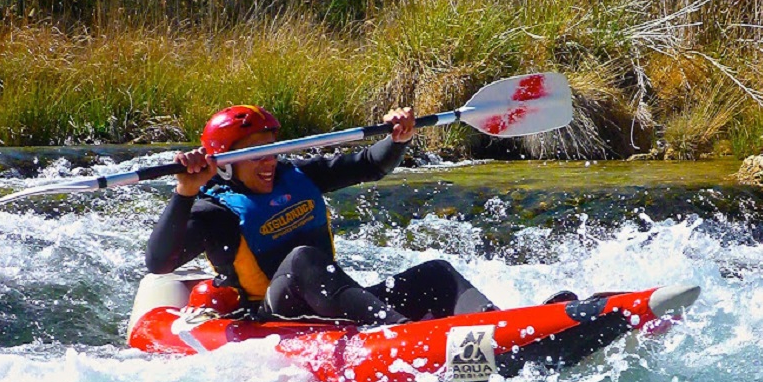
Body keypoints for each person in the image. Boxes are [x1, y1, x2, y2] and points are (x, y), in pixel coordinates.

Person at [145, 104, 499, 326]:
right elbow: (159, 263)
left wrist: (399, 138)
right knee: (302, 259)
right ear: (223, 165)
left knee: (436, 273)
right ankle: (401, 332)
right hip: (276, 317)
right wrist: (185, 192)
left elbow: (371, 164)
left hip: (335, 303)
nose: (268, 162)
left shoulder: (297, 177)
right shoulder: (214, 212)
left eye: (271, 151)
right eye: (255, 154)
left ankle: (496, 325)